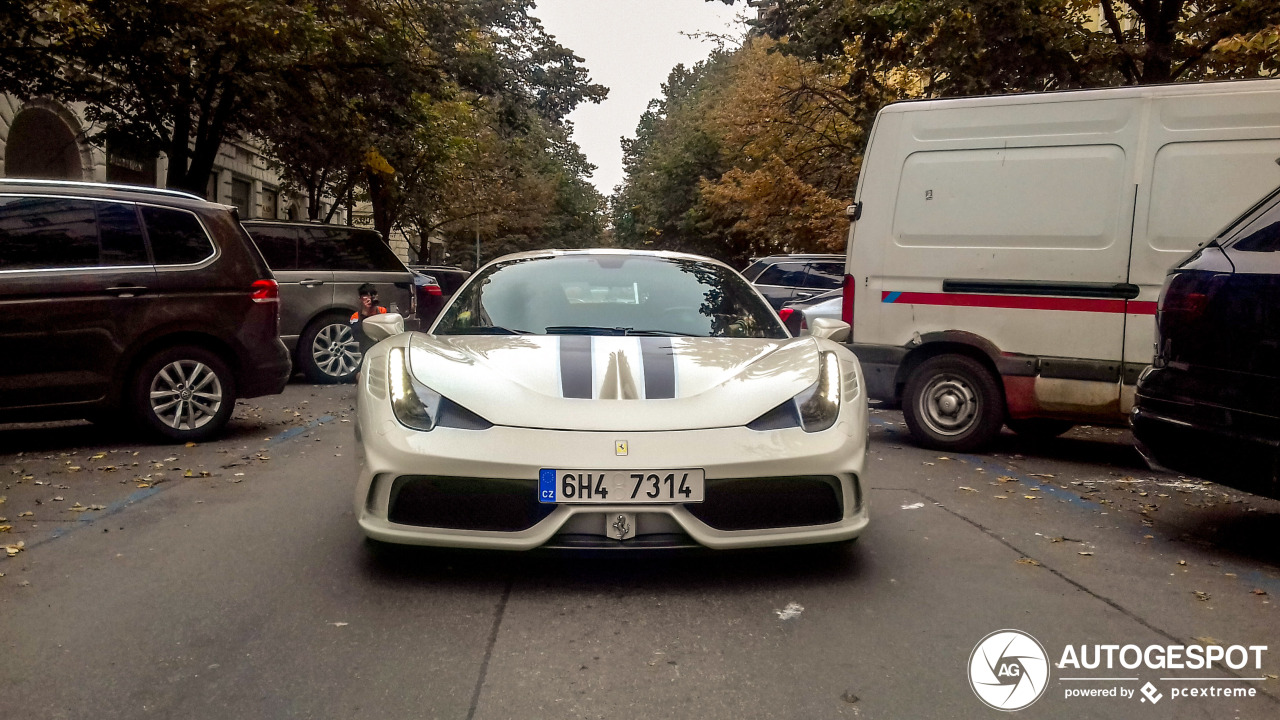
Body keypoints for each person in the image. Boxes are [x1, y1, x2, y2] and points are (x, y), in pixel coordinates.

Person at [350, 283, 388, 356]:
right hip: (367, 351)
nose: (369, 298)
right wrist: (365, 313)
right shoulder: (355, 317)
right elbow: (357, 337)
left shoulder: (383, 311)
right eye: (365, 295)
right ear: (360, 298)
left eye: (372, 295)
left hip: (383, 348)